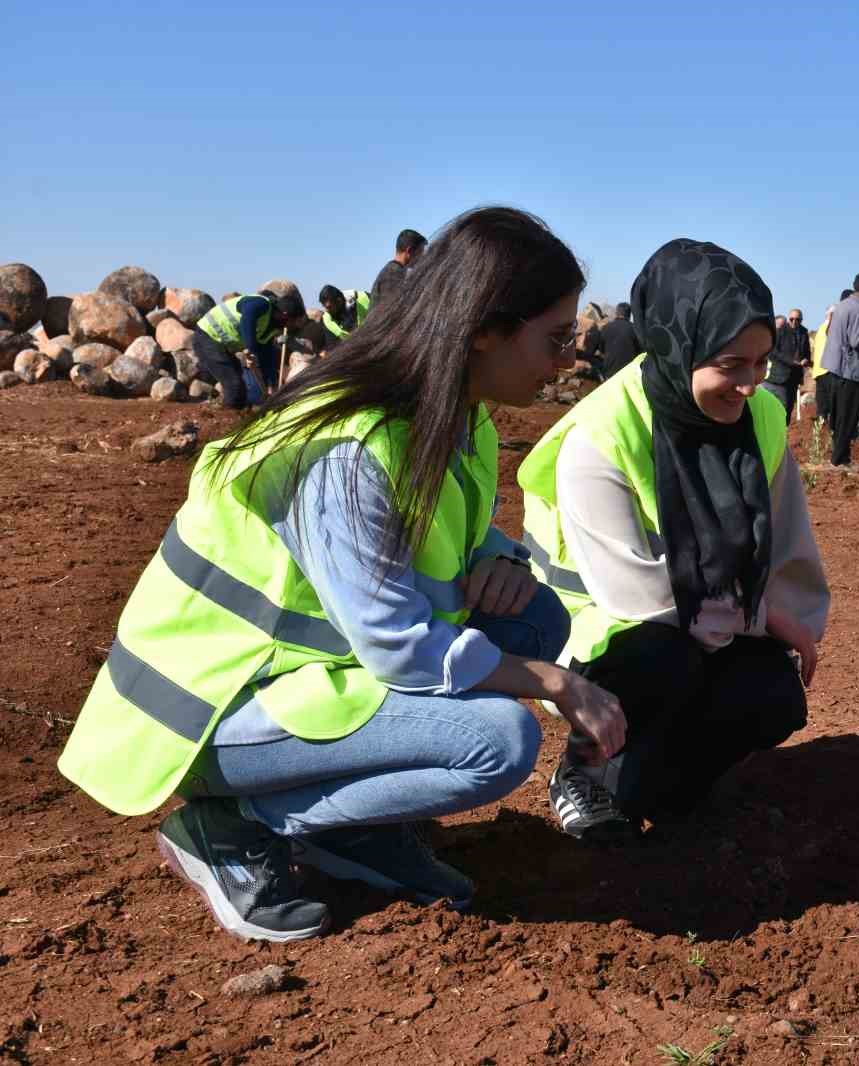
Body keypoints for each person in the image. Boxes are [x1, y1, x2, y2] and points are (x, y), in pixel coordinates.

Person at [56, 207, 625, 941]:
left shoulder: (456, 415)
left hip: (302, 674)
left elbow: (443, 526)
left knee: (535, 617)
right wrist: (556, 683)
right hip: (210, 711)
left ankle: (353, 826)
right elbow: (398, 645)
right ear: (485, 328)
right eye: (553, 338)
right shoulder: (348, 446)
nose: (564, 360)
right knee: (497, 741)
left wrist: (496, 556)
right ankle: (236, 826)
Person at [519, 238, 829, 840]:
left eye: (761, 363)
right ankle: (583, 770)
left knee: (772, 696)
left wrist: (785, 618)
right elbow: (634, 594)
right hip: (602, 632)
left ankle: (659, 781)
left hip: (710, 619)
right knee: (665, 662)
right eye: (729, 364)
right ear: (675, 345)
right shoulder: (602, 433)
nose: (750, 384)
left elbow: (791, 544)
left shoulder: (760, 418)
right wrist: (761, 617)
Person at [195, 290, 307, 409]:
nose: (294, 326)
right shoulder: (260, 303)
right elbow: (247, 319)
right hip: (207, 336)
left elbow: (266, 356)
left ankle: (235, 413)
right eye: (294, 321)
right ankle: (227, 419)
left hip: (222, 345)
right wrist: (251, 349)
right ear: (285, 315)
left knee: (241, 389)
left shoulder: (272, 327)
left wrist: (271, 385)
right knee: (234, 385)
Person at [820, 273, 859, 467]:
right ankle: (839, 460)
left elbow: (830, 332)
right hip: (851, 370)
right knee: (848, 417)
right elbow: (858, 341)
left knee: (839, 416)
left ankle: (841, 458)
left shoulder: (840, 307)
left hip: (834, 368)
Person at [811, 290, 851, 428]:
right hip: (829, 371)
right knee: (834, 407)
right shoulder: (832, 327)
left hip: (818, 372)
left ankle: (819, 437)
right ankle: (833, 434)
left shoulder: (819, 330)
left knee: (822, 408)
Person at [763, 308, 809, 423]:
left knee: (788, 409)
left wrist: (806, 360)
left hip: (794, 379)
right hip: (778, 378)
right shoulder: (781, 331)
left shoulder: (804, 333)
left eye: (797, 320)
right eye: (792, 319)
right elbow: (773, 352)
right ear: (788, 319)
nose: (794, 322)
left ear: (801, 320)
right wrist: (791, 361)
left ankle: (783, 435)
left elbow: (807, 352)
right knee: (780, 408)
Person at [371, 229, 428, 310]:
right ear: (409, 251)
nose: (422, 257)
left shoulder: (393, 271)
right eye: (420, 252)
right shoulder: (393, 275)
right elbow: (391, 313)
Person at [598, 301, 643, 380]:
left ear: (616, 313)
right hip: (630, 374)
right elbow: (641, 352)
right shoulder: (635, 329)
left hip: (609, 374)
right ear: (629, 315)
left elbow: (601, 350)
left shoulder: (605, 328)